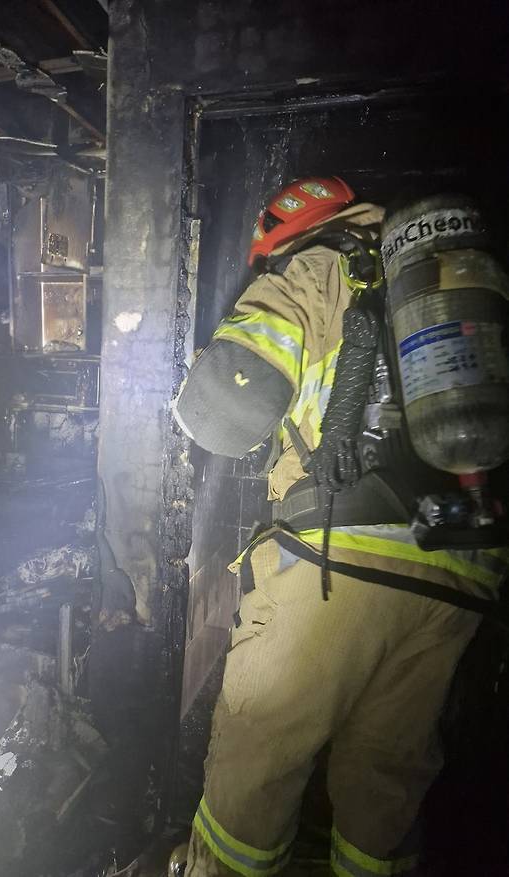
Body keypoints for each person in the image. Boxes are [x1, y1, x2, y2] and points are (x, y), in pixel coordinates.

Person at [174, 178, 507, 876]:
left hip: (345, 552)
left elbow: (221, 414)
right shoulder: (455, 282)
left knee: (257, 753)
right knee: (385, 776)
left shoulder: (314, 266)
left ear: (279, 234)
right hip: (466, 557)